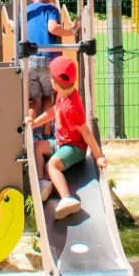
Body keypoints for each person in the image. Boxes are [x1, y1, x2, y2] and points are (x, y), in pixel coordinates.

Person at [26, 58, 108, 220]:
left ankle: (67, 198)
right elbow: (53, 111)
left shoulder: (71, 108)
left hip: (74, 148)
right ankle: (44, 183)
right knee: (37, 147)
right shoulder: (62, 95)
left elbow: (86, 133)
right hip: (60, 142)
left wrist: (98, 156)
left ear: (55, 82)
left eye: (51, 77)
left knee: (52, 165)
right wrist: (35, 122)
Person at [22, 0, 78, 137]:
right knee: (48, 97)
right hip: (47, 59)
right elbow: (53, 28)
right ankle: (47, 132)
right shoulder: (51, 9)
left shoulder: (25, 12)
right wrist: (71, 31)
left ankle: (31, 134)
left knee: (33, 100)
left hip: (29, 59)